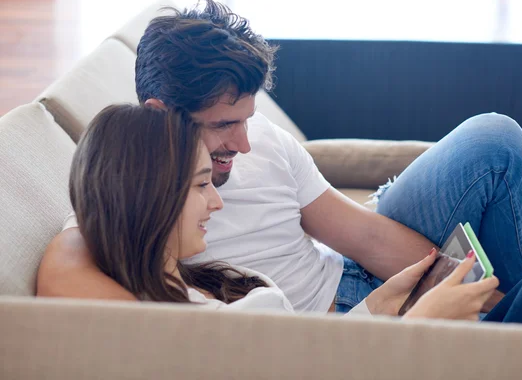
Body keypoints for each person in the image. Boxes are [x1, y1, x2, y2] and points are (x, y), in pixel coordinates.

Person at [36, 0, 522, 324]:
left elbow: (366, 238)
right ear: (161, 113)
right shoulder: (130, 191)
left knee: (494, 141)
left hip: (350, 277)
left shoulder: (261, 146)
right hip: (329, 324)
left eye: (246, 119)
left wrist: (478, 298)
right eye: (223, 126)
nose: (245, 141)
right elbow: (64, 273)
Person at [60, 103, 498, 320]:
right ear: (147, 196)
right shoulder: (179, 327)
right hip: (395, 348)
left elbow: (314, 352)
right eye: (200, 185)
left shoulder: (206, 281)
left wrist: (384, 300)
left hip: (358, 311)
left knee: (493, 144)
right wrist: (421, 321)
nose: (216, 199)